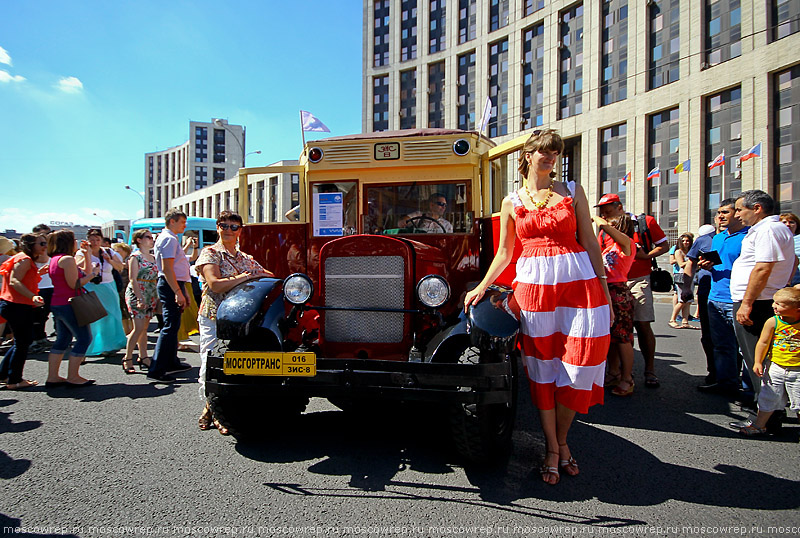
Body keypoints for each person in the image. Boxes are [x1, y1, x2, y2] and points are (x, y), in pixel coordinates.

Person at [464, 129, 611, 485]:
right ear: (527, 155)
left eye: (555, 152)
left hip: (580, 283)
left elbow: (589, 240)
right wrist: (482, 286)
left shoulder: (573, 191)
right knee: (543, 367)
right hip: (534, 287)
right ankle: (553, 445)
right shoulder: (511, 200)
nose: (550, 157)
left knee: (582, 362)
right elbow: (504, 253)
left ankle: (560, 439)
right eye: (543, 151)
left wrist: (605, 285)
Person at [195, 211, 272, 433]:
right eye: (224, 225)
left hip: (240, 320)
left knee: (230, 363)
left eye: (233, 226)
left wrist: (253, 274)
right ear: (217, 228)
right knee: (209, 363)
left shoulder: (244, 258)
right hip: (213, 315)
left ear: (240, 230)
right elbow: (215, 284)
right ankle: (216, 412)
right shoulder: (210, 253)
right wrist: (244, 277)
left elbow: (268, 274)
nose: (228, 230)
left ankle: (213, 410)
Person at [730, 190, 795, 410]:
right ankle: (767, 409)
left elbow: (763, 268)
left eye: (740, 209)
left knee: (757, 361)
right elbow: (792, 261)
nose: (736, 214)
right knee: (756, 359)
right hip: (760, 299)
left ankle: (767, 414)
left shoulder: (768, 229)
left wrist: (747, 303)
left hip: (757, 303)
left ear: (756, 208)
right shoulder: (768, 229)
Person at [596, 193, 669, 388]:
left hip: (636, 280)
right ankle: (615, 371)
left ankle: (648, 370)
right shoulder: (605, 234)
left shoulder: (641, 224)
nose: (604, 215)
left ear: (619, 208)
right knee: (616, 333)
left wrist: (646, 256)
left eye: (608, 212)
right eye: (602, 212)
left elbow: (664, 245)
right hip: (612, 285)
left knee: (641, 324)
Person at [697, 199, 750, 396]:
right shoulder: (718, 238)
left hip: (738, 299)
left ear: (737, 213)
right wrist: (706, 265)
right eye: (719, 212)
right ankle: (726, 383)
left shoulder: (748, 237)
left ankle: (749, 392)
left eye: (725, 212)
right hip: (714, 297)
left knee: (745, 350)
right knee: (721, 346)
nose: (720, 216)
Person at [738, 287, 800, 436]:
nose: (774, 306)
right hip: (775, 367)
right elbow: (763, 342)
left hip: (797, 370)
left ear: (797, 309)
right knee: (768, 397)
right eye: (774, 302)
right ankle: (759, 425)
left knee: (799, 401)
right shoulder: (773, 321)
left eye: (780, 304)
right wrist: (758, 362)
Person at [45, 230, 98, 387]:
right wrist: (93, 274)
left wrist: (87, 254)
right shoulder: (67, 259)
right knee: (83, 338)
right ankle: (73, 376)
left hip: (58, 303)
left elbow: (83, 272)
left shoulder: (55, 259)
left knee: (63, 339)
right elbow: (74, 284)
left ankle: (53, 376)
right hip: (70, 304)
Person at [148, 209, 193, 383]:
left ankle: (171, 361)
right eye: (182, 222)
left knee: (173, 326)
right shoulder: (168, 239)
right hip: (170, 285)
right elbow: (167, 269)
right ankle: (157, 368)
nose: (185, 225)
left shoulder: (170, 238)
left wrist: (183, 291)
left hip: (175, 284)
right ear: (172, 221)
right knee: (169, 326)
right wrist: (177, 292)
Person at [595, 213, 636, 397]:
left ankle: (627, 378)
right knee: (611, 338)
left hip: (618, 292)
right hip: (606, 291)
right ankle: (614, 372)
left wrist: (593, 218)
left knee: (623, 338)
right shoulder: (609, 247)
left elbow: (605, 226)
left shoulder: (627, 244)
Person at [0, 234, 47, 390]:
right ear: (30, 245)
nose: (44, 246)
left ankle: (5, 375)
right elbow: (15, 280)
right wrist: (32, 296)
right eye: (41, 243)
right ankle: (14, 380)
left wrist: (39, 274)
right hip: (17, 305)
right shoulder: (25, 259)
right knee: (23, 342)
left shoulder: (21, 258)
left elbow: (20, 279)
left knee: (21, 341)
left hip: (13, 304)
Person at [76, 228, 127, 357]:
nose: (95, 243)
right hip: (91, 287)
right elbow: (77, 268)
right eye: (92, 240)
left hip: (109, 286)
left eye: (97, 240)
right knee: (94, 318)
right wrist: (87, 255)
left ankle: (110, 345)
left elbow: (120, 267)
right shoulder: (81, 253)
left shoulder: (109, 251)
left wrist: (109, 260)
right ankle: (92, 347)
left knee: (112, 316)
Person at [683, 224, 718, 385]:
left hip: (732, 294)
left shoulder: (744, 237)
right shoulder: (703, 240)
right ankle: (714, 372)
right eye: (719, 213)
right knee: (709, 335)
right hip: (706, 291)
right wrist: (686, 288)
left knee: (732, 339)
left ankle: (732, 375)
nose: (722, 216)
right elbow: (691, 263)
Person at [122, 230, 158, 374]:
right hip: (137, 293)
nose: (151, 240)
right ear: (139, 240)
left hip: (151, 293)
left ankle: (143, 356)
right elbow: (133, 278)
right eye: (148, 237)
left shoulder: (154, 258)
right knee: (137, 327)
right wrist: (139, 297)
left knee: (144, 328)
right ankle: (127, 357)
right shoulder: (135, 257)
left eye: (152, 238)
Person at [30, 224, 54, 354]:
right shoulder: (33, 251)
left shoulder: (48, 247)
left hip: (50, 285)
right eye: (42, 235)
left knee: (44, 315)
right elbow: (43, 258)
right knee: (36, 315)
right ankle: (34, 340)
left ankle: (41, 337)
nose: (46, 238)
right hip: (37, 287)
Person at [177, 232, 200, 351]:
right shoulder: (175, 256)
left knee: (190, 310)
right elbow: (181, 253)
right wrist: (187, 244)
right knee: (182, 312)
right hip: (180, 284)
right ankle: (178, 340)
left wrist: (194, 247)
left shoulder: (182, 257)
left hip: (188, 284)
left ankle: (183, 338)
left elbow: (192, 257)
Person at [668, 232, 695, 329]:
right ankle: (673, 319)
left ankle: (685, 321)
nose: (685, 242)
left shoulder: (691, 251)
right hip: (681, 276)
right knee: (682, 299)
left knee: (688, 301)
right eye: (683, 241)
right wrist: (693, 261)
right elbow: (681, 264)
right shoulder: (678, 252)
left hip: (691, 276)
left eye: (687, 241)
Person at [111, 242, 133, 336]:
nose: (115, 253)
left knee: (129, 309)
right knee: (121, 309)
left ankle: (133, 330)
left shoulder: (131, 259)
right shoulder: (114, 260)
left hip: (128, 287)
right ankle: (126, 330)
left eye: (118, 251)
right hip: (118, 287)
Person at [779, 212, 800, 286]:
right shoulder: (777, 240)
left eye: (791, 222)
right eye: (784, 222)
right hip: (782, 280)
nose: (788, 224)